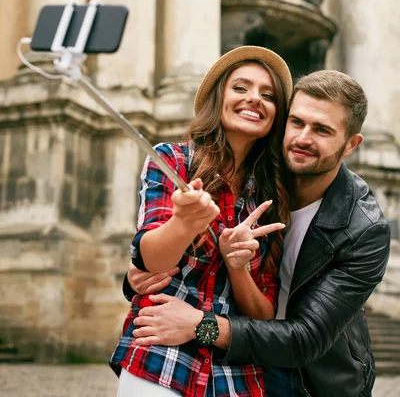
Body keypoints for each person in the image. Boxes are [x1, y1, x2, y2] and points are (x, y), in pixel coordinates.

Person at [130, 69, 391, 397]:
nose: (303, 139)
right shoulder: (260, 175)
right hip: (243, 365)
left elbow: (305, 339)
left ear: (351, 144)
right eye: (296, 122)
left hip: (313, 379)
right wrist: (141, 268)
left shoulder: (364, 229)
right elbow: (195, 254)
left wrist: (201, 325)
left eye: (322, 130)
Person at [110, 45, 294, 396]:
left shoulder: (274, 195)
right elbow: (150, 261)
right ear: (218, 97)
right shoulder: (172, 160)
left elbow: (263, 315)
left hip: (235, 371)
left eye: (267, 95)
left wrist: (237, 265)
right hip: (160, 349)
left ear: (276, 115)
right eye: (241, 87)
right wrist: (183, 223)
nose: (254, 99)